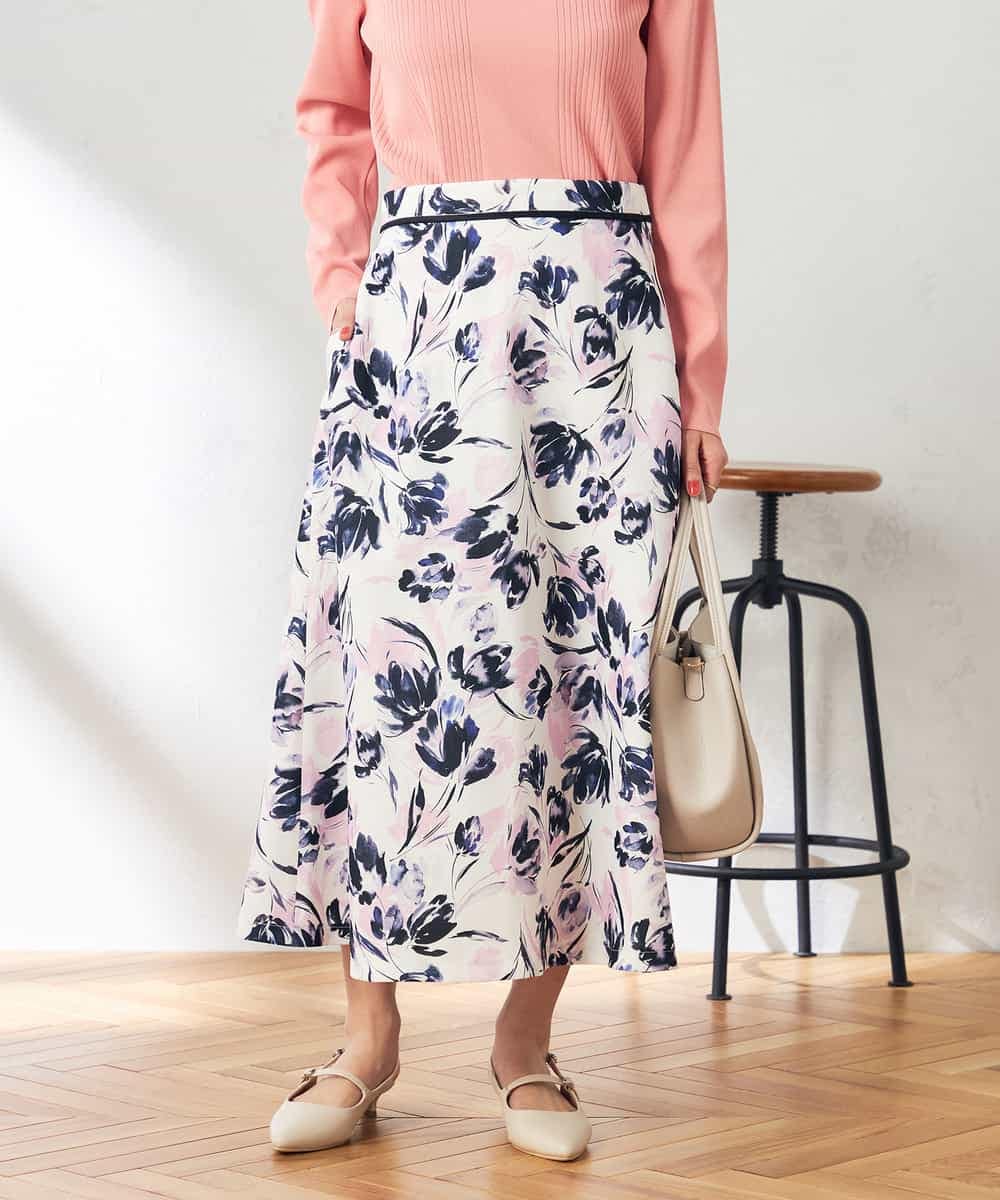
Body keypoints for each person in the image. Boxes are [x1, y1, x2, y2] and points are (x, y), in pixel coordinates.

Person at [237, 0, 730, 1161]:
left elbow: (687, 165)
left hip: (595, 340)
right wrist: (341, 276)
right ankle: (367, 1041)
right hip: (414, 330)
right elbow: (333, 111)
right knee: (382, 680)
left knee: (571, 680)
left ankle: (527, 1044)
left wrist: (701, 387)